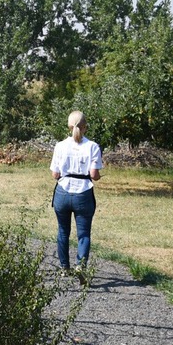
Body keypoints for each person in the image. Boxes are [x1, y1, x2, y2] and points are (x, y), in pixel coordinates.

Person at [50, 110, 103, 276]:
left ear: (68, 126)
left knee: (63, 231)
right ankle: (80, 266)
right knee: (84, 233)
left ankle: (65, 267)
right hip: (83, 193)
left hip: (63, 192)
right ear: (85, 127)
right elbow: (94, 175)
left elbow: (55, 174)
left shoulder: (60, 146)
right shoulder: (92, 147)